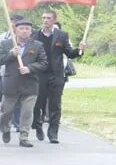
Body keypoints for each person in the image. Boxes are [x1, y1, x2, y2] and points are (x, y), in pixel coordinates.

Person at [31, 10, 86, 144]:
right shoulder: (35, 35)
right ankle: (38, 125)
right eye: (43, 18)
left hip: (56, 75)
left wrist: (80, 50)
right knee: (38, 104)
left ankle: (53, 133)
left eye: (48, 18)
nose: (45, 20)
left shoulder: (62, 35)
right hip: (40, 75)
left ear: (54, 20)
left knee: (55, 104)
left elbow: (70, 53)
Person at [0, 19, 47, 147]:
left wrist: (30, 68)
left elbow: (44, 63)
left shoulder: (37, 45)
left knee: (27, 112)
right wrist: (11, 54)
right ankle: (5, 129)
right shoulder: (6, 44)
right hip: (11, 83)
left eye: (27, 29)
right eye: (21, 28)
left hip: (30, 84)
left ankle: (24, 137)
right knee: (6, 112)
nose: (24, 31)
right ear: (15, 30)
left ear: (31, 31)